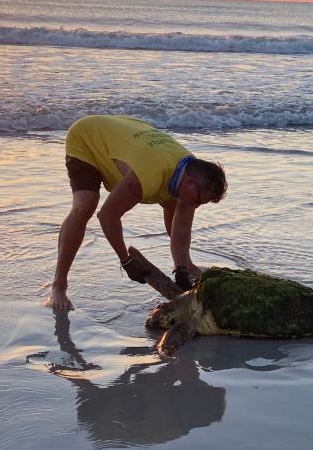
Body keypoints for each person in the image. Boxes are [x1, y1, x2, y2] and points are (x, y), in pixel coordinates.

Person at [48, 114, 227, 311]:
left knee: (174, 205)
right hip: (87, 136)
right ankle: (59, 285)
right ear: (190, 181)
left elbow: (181, 228)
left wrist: (182, 267)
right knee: (85, 204)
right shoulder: (147, 177)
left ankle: (185, 264)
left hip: (127, 134)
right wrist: (126, 261)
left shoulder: (191, 171)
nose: (196, 206)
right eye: (198, 200)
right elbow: (107, 216)